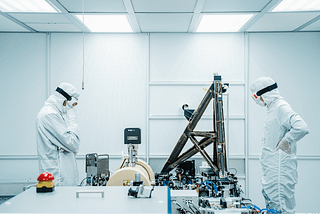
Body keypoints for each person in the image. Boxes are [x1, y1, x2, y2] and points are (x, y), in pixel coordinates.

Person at [250, 77, 309, 213]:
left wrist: (285, 141)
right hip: (272, 171)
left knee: (281, 208)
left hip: (279, 172)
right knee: (273, 207)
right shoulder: (273, 109)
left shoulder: (280, 107)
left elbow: (302, 127)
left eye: (258, 98)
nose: (261, 102)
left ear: (263, 94)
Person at [36, 83, 80, 186]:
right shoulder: (50, 115)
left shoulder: (53, 114)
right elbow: (72, 143)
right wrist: (73, 120)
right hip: (59, 176)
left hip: (58, 174)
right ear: (64, 101)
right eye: (70, 105)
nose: (69, 109)